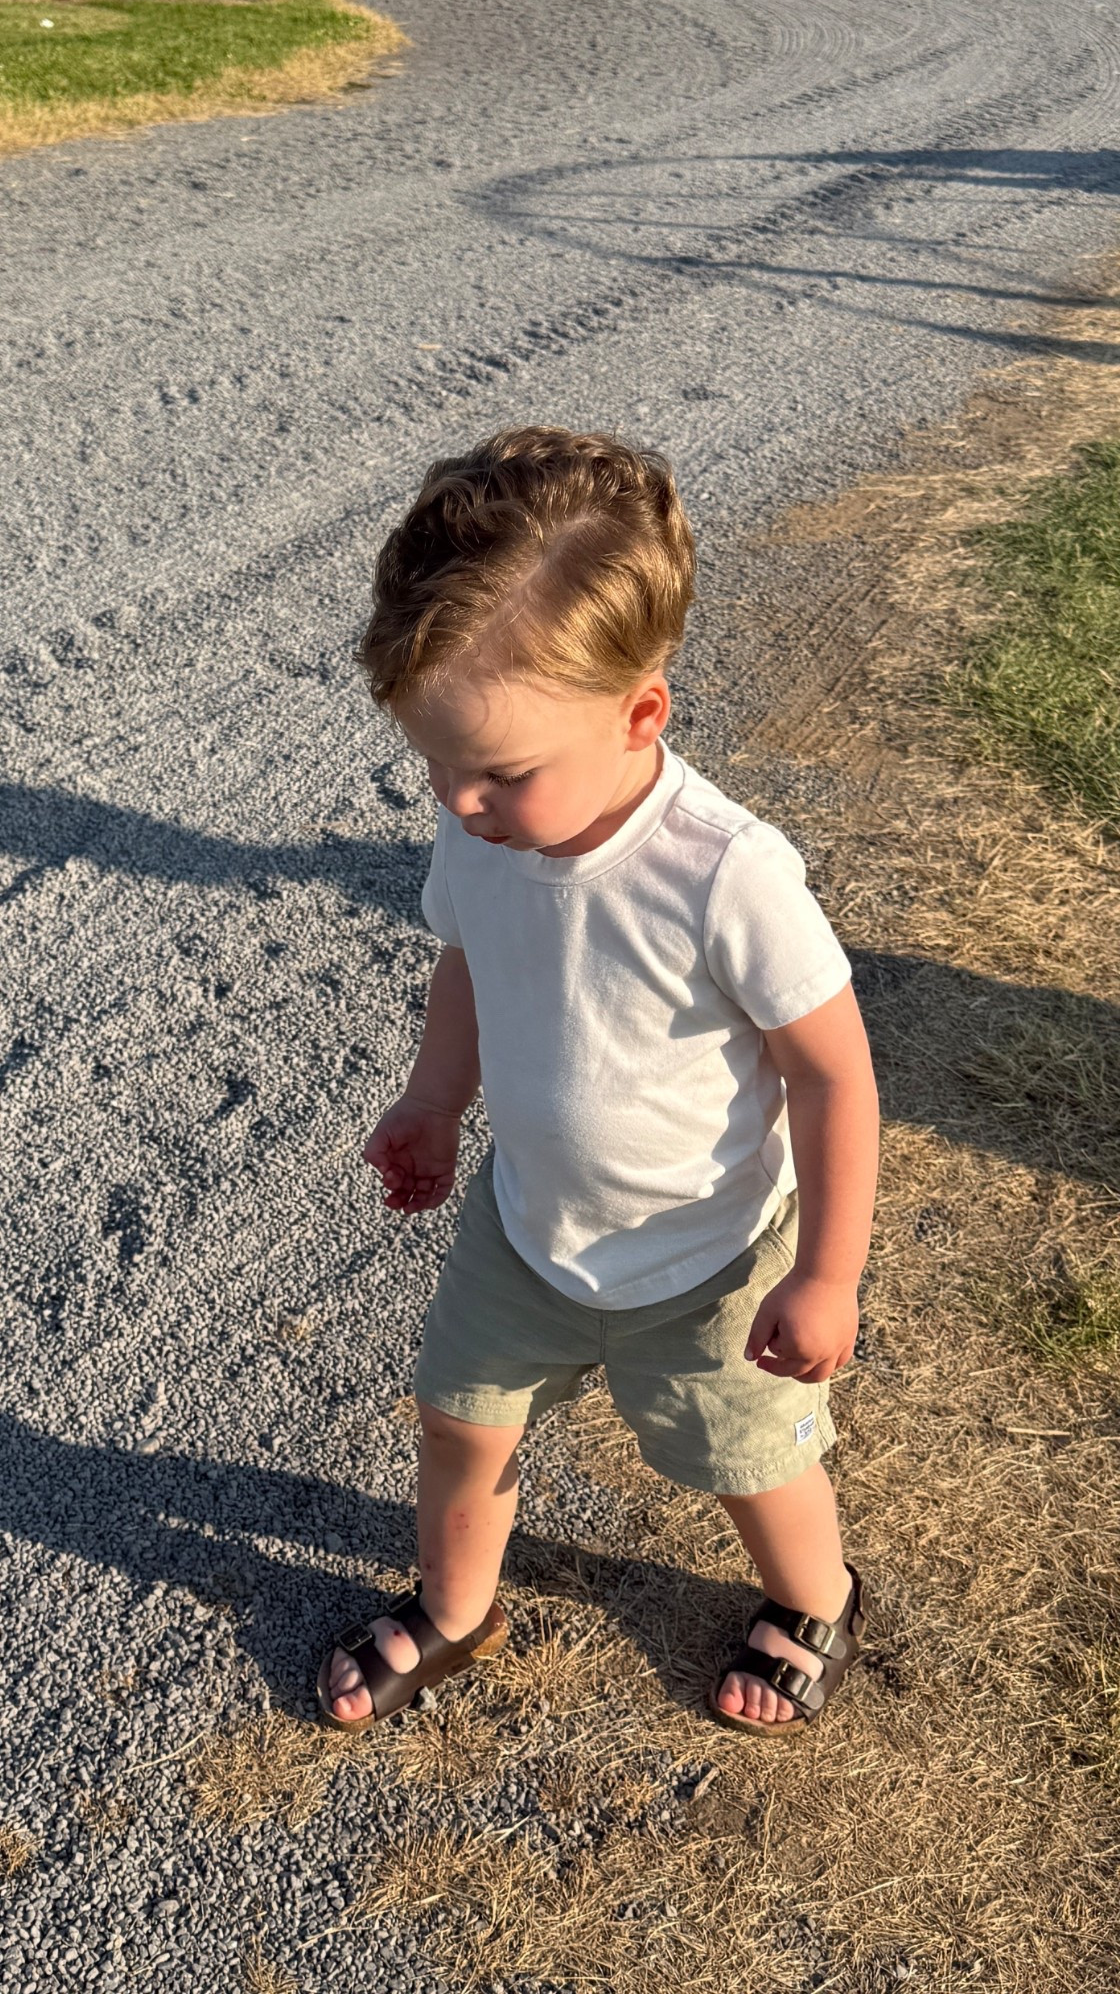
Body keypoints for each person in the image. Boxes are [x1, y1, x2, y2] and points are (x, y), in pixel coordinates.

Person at [316, 426, 879, 1738]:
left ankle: (814, 1600)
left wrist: (827, 1273)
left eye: (501, 771)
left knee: (749, 1455)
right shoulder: (486, 835)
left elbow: (834, 1074)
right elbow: (467, 962)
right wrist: (430, 1101)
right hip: (529, 1233)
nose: (461, 803)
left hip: (709, 1258)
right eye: (437, 766)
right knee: (460, 1421)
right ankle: (457, 1613)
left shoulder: (725, 874)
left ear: (640, 714)